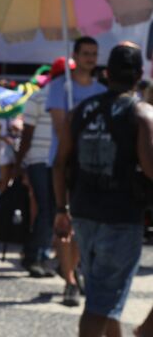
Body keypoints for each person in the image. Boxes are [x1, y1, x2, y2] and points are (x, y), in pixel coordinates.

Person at [53, 43, 153, 337]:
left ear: (106, 73)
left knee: (103, 291)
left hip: (83, 212)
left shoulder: (81, 111)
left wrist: (61, 208)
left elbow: (60, 164)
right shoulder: (143, 114)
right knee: (101, 301)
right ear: (138, 76)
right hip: (121, 217)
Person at [47, 36, 107, 307]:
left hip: (91, 165)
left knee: (83, 223)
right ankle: (69, 279)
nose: (90, 58)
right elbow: (60, 127)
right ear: (75, 55)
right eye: (86, 53)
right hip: (65, 163)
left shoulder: (100, 90)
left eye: (94, 54)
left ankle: (74, 267)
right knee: (64, 223)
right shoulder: (60, 87)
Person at [14, 57, 74, 278]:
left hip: (59, 161)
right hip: (40, 161)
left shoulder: (70, 98)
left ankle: (41, 254)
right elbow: (26, 134)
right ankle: (34, 256)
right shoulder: (39, 97)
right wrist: (20, 163)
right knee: (47, 210)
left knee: (54, 210)